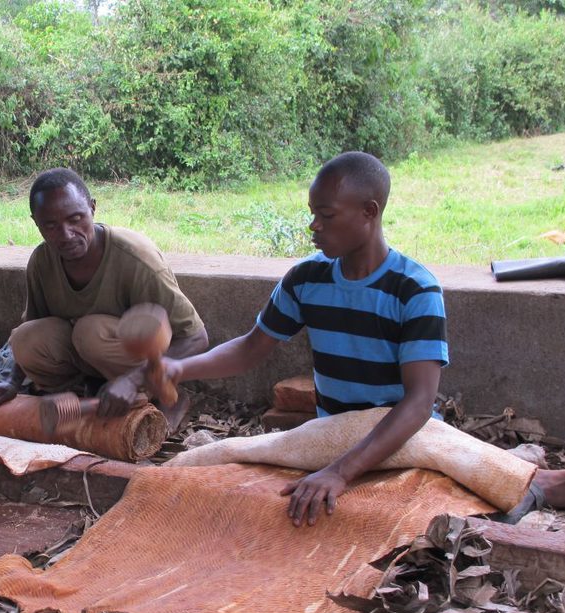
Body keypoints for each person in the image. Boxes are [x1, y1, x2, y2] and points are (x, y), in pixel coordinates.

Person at [158, 151, 449, 527]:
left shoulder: (415, 290)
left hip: (404, 437)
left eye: (326, 216)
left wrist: (341, 472)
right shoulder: (307, 279)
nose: (314, 226)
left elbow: (419, 403)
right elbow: (251, 348)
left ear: (369, 211)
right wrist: (179, 368)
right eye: (313, 213)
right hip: (331, 434)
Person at [0, 168, 208, 427]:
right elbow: (34, 325)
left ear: (93, 208)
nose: (66, 234)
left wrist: (132, 379)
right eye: (50, 225)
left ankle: (163, 399)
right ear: (36, 223)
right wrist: (12, 381)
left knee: (89, 332)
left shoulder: (136, 258)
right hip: (90, 361)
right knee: (25, 338)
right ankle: (87, 393)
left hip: (139, 365)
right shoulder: (42, 261)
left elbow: (196, 337)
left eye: (75, 218)